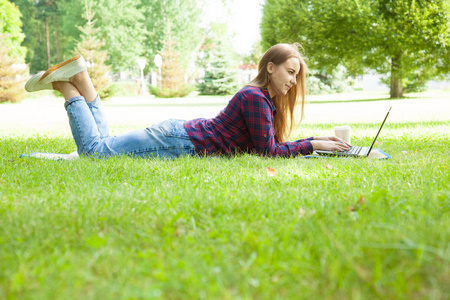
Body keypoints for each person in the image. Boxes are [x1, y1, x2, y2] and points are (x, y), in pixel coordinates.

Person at [25, 43, 351, 159]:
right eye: (290, 72)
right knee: (95, 153)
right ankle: (67, 86)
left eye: (296, 76)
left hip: (178, 137)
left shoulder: (261, 99)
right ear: (271, 67)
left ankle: (81, 80)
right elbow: (268, 152)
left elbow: (269, 143)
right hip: (179, 143)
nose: (293, 82)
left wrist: (316, 140)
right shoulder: (254, 98)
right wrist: (311, 146)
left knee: (105, 145)